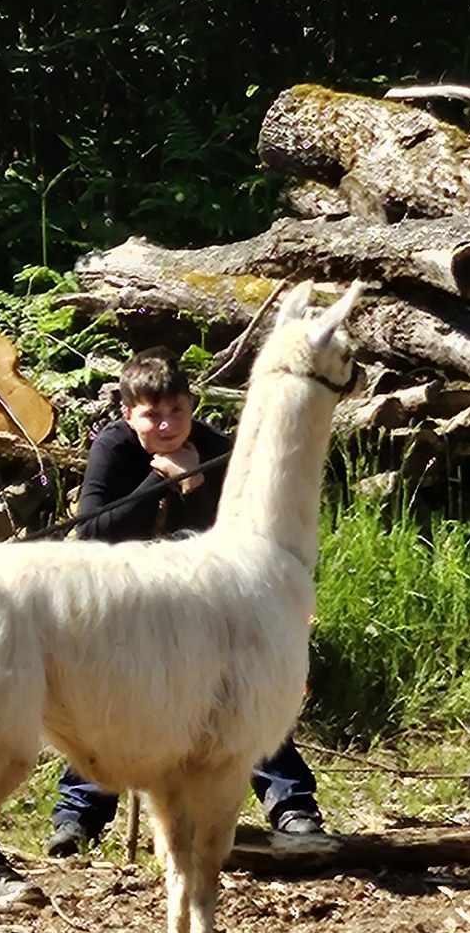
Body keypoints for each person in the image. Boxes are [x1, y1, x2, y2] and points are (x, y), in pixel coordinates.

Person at [45, 354, 329, 854]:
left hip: (206, 603)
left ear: (192, 407)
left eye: (178, 411)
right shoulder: (112, 448)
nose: (167, 425)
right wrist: (161, 480)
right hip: (129, 600)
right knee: (112, 701)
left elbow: (242, 535)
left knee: (246, 690)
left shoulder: (220, 449)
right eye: (152, 415)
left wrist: (195, 482)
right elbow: (92, 531)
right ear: (128, 414)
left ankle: (292, 804)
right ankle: (77, 815)